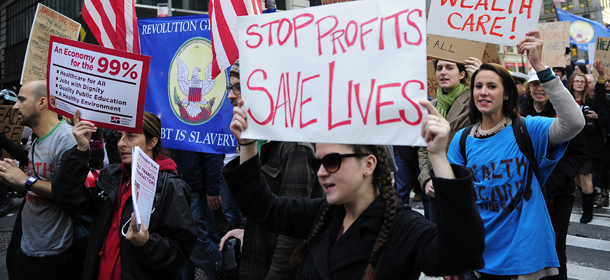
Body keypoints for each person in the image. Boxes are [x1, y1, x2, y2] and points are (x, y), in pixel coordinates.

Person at [225, 93, 485, 279]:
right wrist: (247, 144)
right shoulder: (322, 215)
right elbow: (263, 208)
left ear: (368, 165)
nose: (321, 173)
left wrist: (438, 156)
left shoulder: (403, 227)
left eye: (333, 161)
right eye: (318, 163)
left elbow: (461, 254)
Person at [447, 30, 585, 279]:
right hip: (480, 251)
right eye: (478, 86)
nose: (483, 92)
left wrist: (540, 66)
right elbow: (454, 199)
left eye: (492, 86)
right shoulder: (463, 139)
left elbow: (574, 123)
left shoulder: (527, 128)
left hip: (525, 254)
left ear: (507, 93)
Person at [52, 110, 197, 280]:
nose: (121, 143)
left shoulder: (171, 186)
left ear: (152, 142)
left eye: (131, 137)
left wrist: (146, 242)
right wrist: (81, 149)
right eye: (120, 136)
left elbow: (179, 253)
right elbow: (68, 198)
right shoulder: (111, 176)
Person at [219, 60, 322, 280]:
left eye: (237, 87)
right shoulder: (263, 140)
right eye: (231, 87)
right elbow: (261, 207)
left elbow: (291, 238)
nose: (230, 95)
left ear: (259, 90)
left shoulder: (296, 146)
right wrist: (246, 229)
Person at [0, 80, 81, 279]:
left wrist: (24, 180)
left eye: (21, 99)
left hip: (53, 255)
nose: (15, 105)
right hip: (27, 246)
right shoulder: (37, 137)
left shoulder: (67, 139)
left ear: (42, 103)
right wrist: (12, 176)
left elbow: (68, 193)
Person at [518, 71, 586, 280]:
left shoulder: (563, 112)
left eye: (543, 84)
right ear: (529, 87)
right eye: (534, 84)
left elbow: (578, 151)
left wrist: (562, 175)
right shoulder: (517, 111)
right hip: (525, 194)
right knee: (525, 246)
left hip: (559, 193)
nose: (539, 88)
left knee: (556, 249)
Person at [418, 57, 479, 223]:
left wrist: (479, 78)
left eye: (449, 68)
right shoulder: (433, 105)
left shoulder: (475, 101)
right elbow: (424, 147)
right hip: (434, 187)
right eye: (439, 68)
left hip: (464, 185)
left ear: (461, 74)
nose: (442, 72)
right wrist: (426, 179)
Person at [566, 61, 608, 223]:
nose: (579, 83)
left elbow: (604, 119)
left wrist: (597, 118)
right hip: (569, 145)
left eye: (582, 81)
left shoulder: (591, 101)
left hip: (588, 146)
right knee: (576, 176)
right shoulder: (565, 101)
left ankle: (587, 210)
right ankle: (587, 195)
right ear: (571, 83)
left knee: (585, 176)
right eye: (576, 81)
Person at [173, 150, 224, 280]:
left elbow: (213, 152)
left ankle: (227, 274)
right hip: (182, 183)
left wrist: (213, 189)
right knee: (183, 241)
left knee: (195, 241)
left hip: (195, 185)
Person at [598, 79, 610, 208]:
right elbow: (602, 98)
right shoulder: (602, 97)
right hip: (605, 136)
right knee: (605, 166)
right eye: (605, 81)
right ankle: (604, 194)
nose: (607, 83)